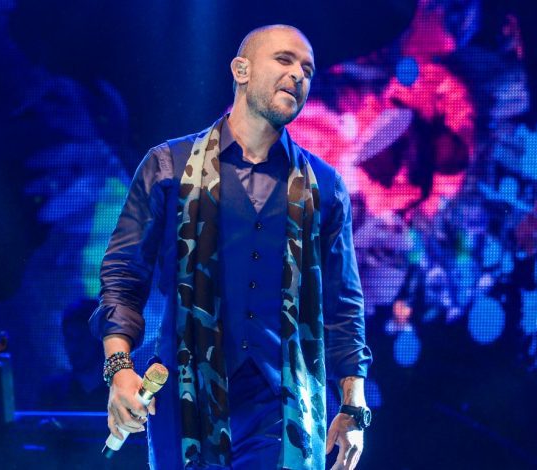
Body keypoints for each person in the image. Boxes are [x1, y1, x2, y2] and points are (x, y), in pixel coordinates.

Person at [89, 24, 372, 470]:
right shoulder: (168, 167)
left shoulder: (325, 186)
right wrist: (118, 369)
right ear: (241, 70)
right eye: (284, 60)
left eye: (308, 69)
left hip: (283, 403)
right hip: (186, 398)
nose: (298, 74)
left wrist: (353, 405)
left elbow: (343, 303)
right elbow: (124, 275)